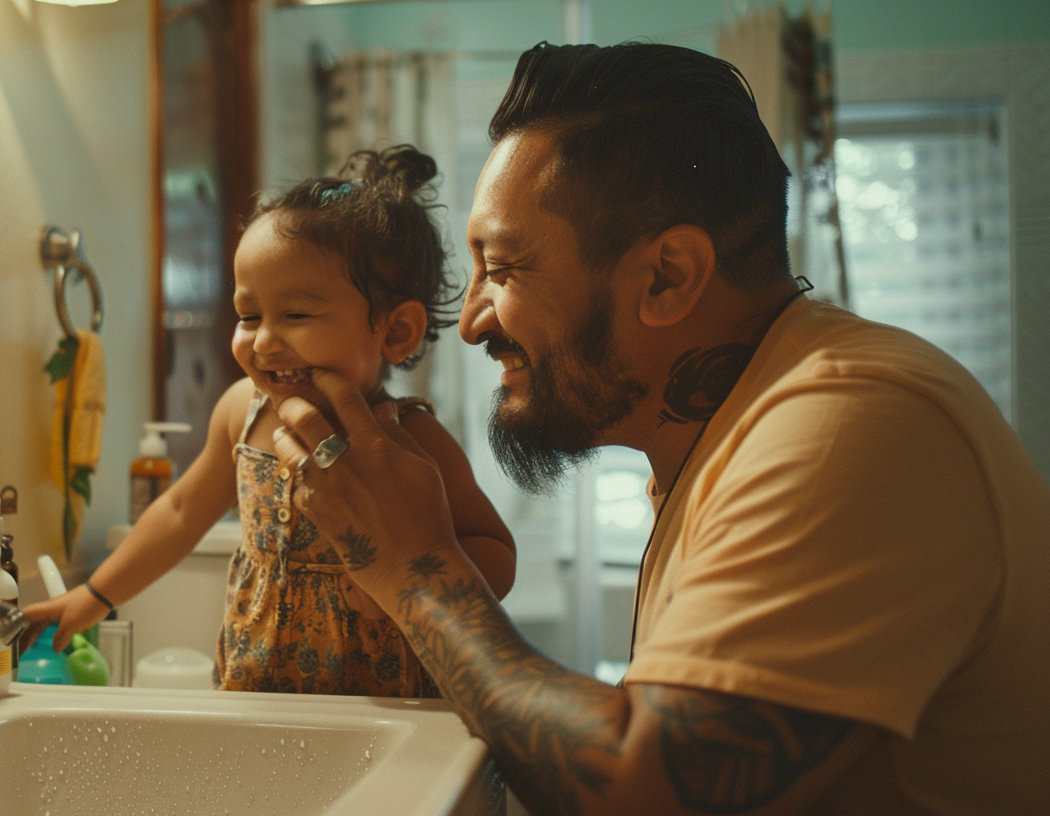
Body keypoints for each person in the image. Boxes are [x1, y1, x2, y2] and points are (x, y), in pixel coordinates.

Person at [267, 43, 1050, 814]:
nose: (470, 322)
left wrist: (415, 573)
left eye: (502, 269)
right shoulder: (730, 430)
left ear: (668, 276)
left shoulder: (851, 425)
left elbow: (645, 791)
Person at [24, 146, 515, 697]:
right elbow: (182, 512)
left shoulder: (409, 441)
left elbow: (496, 549)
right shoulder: (243, 412)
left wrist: (405, 579)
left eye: (296, 316)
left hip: (384, 702)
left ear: (395, 332)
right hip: (255, 688)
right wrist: (93, 597)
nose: (262, 341)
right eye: (248, 315)